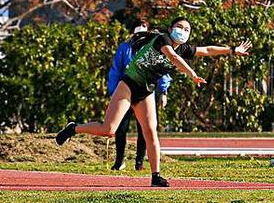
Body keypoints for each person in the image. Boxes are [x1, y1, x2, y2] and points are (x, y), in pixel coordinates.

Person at [55, 17, 252, 187]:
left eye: (187, 29)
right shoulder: (162, 39)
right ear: (170, 28)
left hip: (146, 90)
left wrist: (233, 50)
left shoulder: (184, 48)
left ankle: (155, 176)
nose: (182, 31)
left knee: (150, 131)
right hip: (129, 84)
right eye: (179, 27)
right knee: (109, 130)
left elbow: (208, 50)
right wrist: (192, 74)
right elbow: (172, 57)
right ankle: (74, 129)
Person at [106, 21, 171, 171]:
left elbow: (162, 71)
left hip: (145, 92)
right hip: (126, 92)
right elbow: (116, 70)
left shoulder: (154, 48)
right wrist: (113, 92)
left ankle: (139, 161)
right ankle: (119, 160)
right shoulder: (124, 48)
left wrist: (163, 91)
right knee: (120, 128)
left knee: (145, 128)